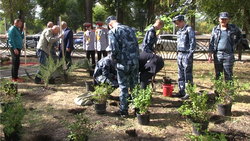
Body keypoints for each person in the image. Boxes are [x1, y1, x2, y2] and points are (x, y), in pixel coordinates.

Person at [106, 16, 140, 118]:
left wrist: (113, 59)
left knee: (124, 86)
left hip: (123, 63)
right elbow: (136, 45)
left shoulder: (113, 32)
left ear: (110, 24)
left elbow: (114, 48)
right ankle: (137, 108)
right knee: (134, 85)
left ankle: (124, 110)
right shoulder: (130, 29)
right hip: (134, 62)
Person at [209, 12, 242, 82]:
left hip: (228, 54)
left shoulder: (233, 28)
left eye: (225, 19)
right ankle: (218, 91)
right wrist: (210, 54)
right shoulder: (215, 29)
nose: (223, 21)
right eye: (222, 19)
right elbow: (211, 42)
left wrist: (234, 43)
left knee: (229, 74)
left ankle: (229, 92)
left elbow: (240, 36)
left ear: (228, 19)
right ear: (219, 19)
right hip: (218, 55)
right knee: (218, 74)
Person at [172, 15, 196, 100]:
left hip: (186, 54)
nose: (177, 25)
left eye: (178, 23)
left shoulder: (189, 29)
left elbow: (192, 43)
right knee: (180, 73)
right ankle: (181, 90)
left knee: (187, 74)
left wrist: (190, 54)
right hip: (180, 54)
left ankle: (189, 92)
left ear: (182, 21)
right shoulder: (179, 31)